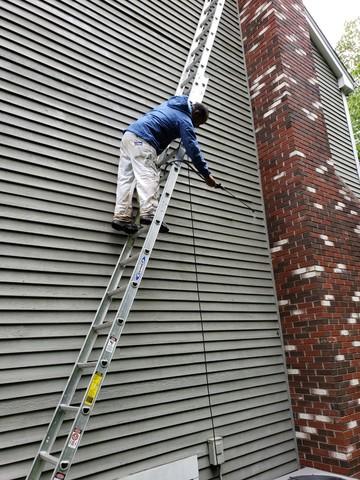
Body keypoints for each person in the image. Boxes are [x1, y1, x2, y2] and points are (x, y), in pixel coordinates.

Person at [112, 95, 217, 234]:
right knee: (148, 174)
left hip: (129, 137)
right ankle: (150, 213)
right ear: (196, 113)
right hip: (143, 140)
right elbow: (192, 148)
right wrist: (206, 175)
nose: (196, 126)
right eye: (198, 123)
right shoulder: (184, 119)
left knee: (126, 178)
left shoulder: (171, 105)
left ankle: (121, 217)